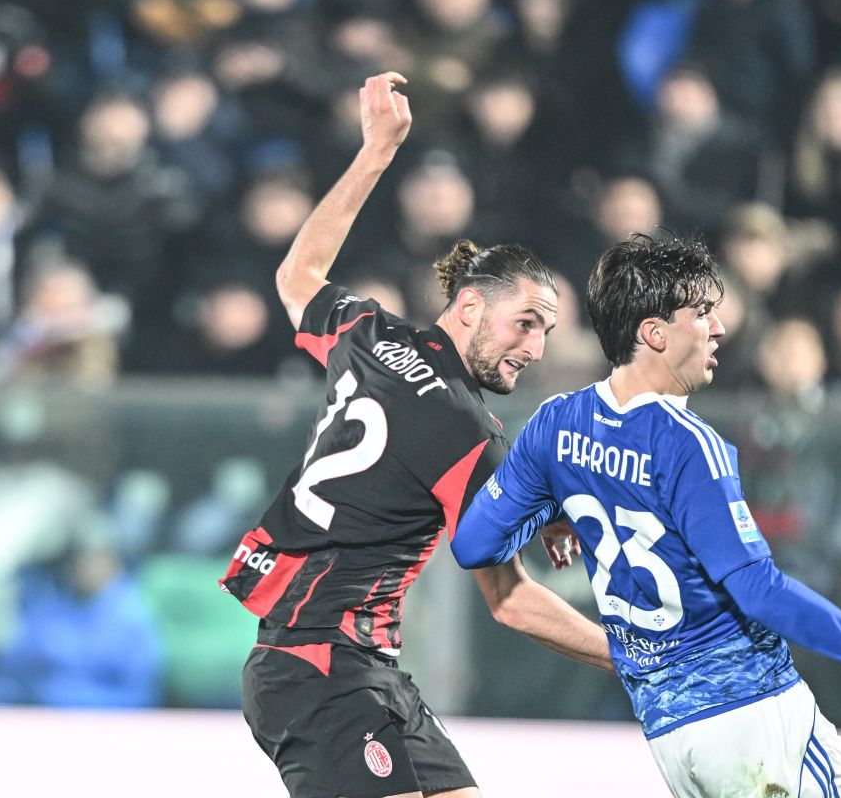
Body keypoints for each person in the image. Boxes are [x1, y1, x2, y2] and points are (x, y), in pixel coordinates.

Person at [452, 233, 841, 797]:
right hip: (751, 713)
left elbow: (473, 545)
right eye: (701, 313)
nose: (719, 327)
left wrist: (556, 506)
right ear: (655, 333)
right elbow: (762, 593)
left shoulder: (555, 423)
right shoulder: (689, 445)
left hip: (671, 731)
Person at [217, 71, 610, 798]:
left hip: (354, 668)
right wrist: (640, 658)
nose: (534, 348)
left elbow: (298, 274)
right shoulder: (467, 431)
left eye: (547, 332)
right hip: (322, 668)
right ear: (469, 307)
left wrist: (375, 152)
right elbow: (511, 600)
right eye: (525, 323)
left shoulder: (372, 335)